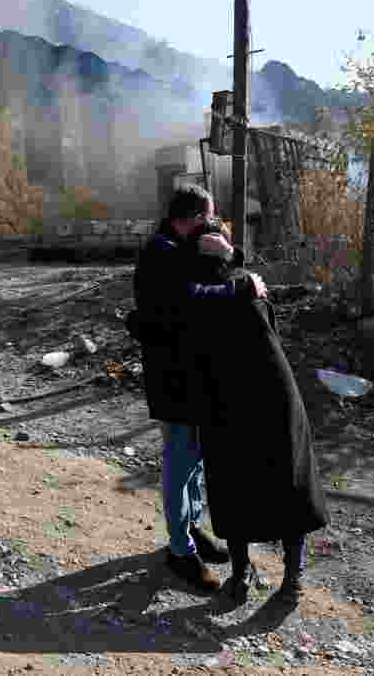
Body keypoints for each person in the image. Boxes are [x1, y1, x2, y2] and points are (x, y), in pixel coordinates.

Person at [132, 184, 267, 591]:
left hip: (192, 374)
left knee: (192, 461)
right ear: (188, 219)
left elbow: (222, 263)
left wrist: (230, 258)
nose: (211, 224)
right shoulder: (163, 252)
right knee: (179, 461)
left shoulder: (182, 246)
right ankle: (179, 550)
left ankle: (189, 528)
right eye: (207, 218)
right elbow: (191, 299)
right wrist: (242, 288)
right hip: (173, 376)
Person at [193, 258, 329, 608]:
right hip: (275, 397)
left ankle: (240, 575)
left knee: (232, 485)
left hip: (228, 402)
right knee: (289, 484)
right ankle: (292, 578)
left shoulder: (204, 302)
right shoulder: (253, 296)